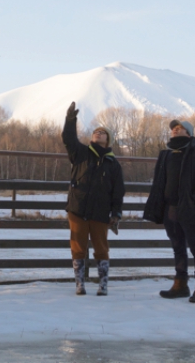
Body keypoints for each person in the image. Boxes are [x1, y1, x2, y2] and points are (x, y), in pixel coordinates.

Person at [145, 119, 195, 302]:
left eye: (180, 128)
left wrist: (193, 199)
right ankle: (180, 284)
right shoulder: (166, 155)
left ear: (189, 133)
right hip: (169, 209)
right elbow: (160, 181)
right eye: (174, 128)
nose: (175, 130)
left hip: (188, 209)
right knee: (178, 248)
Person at [62, 102, 125, 296]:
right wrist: (70, 120)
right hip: (78, 209)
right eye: (96, 132)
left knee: (101, 249)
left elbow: (118, 191)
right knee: (78, 248)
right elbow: (68, 138)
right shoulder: (80, 153)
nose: (98, 133)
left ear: (108, 140)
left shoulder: (113, 164)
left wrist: (116, 213)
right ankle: (79, 284)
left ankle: (103, 284)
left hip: (100, 212)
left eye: (102, 132)